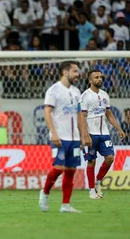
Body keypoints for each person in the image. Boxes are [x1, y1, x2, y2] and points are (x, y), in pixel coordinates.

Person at [39, 61, 85, 213]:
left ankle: (65, 205)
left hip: (75, 138)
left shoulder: (77, 92)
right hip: (60, 137)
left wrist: (83, 135)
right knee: (58, 168)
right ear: (65, 72)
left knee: (71, 170)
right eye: (75, 71)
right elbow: (47, 112)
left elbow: (79, 115)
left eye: (77, 71)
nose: (77, 74)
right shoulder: (54, 90)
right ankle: (45, 193)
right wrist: (54, 132)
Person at [80, 70, 126, 199]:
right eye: (96, 77)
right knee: (91, 161)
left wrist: (118, 128)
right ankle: (91, 191)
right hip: (91, 133)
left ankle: (98, 182)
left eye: (100, 77)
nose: (99, 79)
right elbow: (82, 117)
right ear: (90, 81)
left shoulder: (105, 95)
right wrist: (85, 135)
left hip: (104, 133)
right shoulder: (85, 96)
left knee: (110, 157)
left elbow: (109, 114)